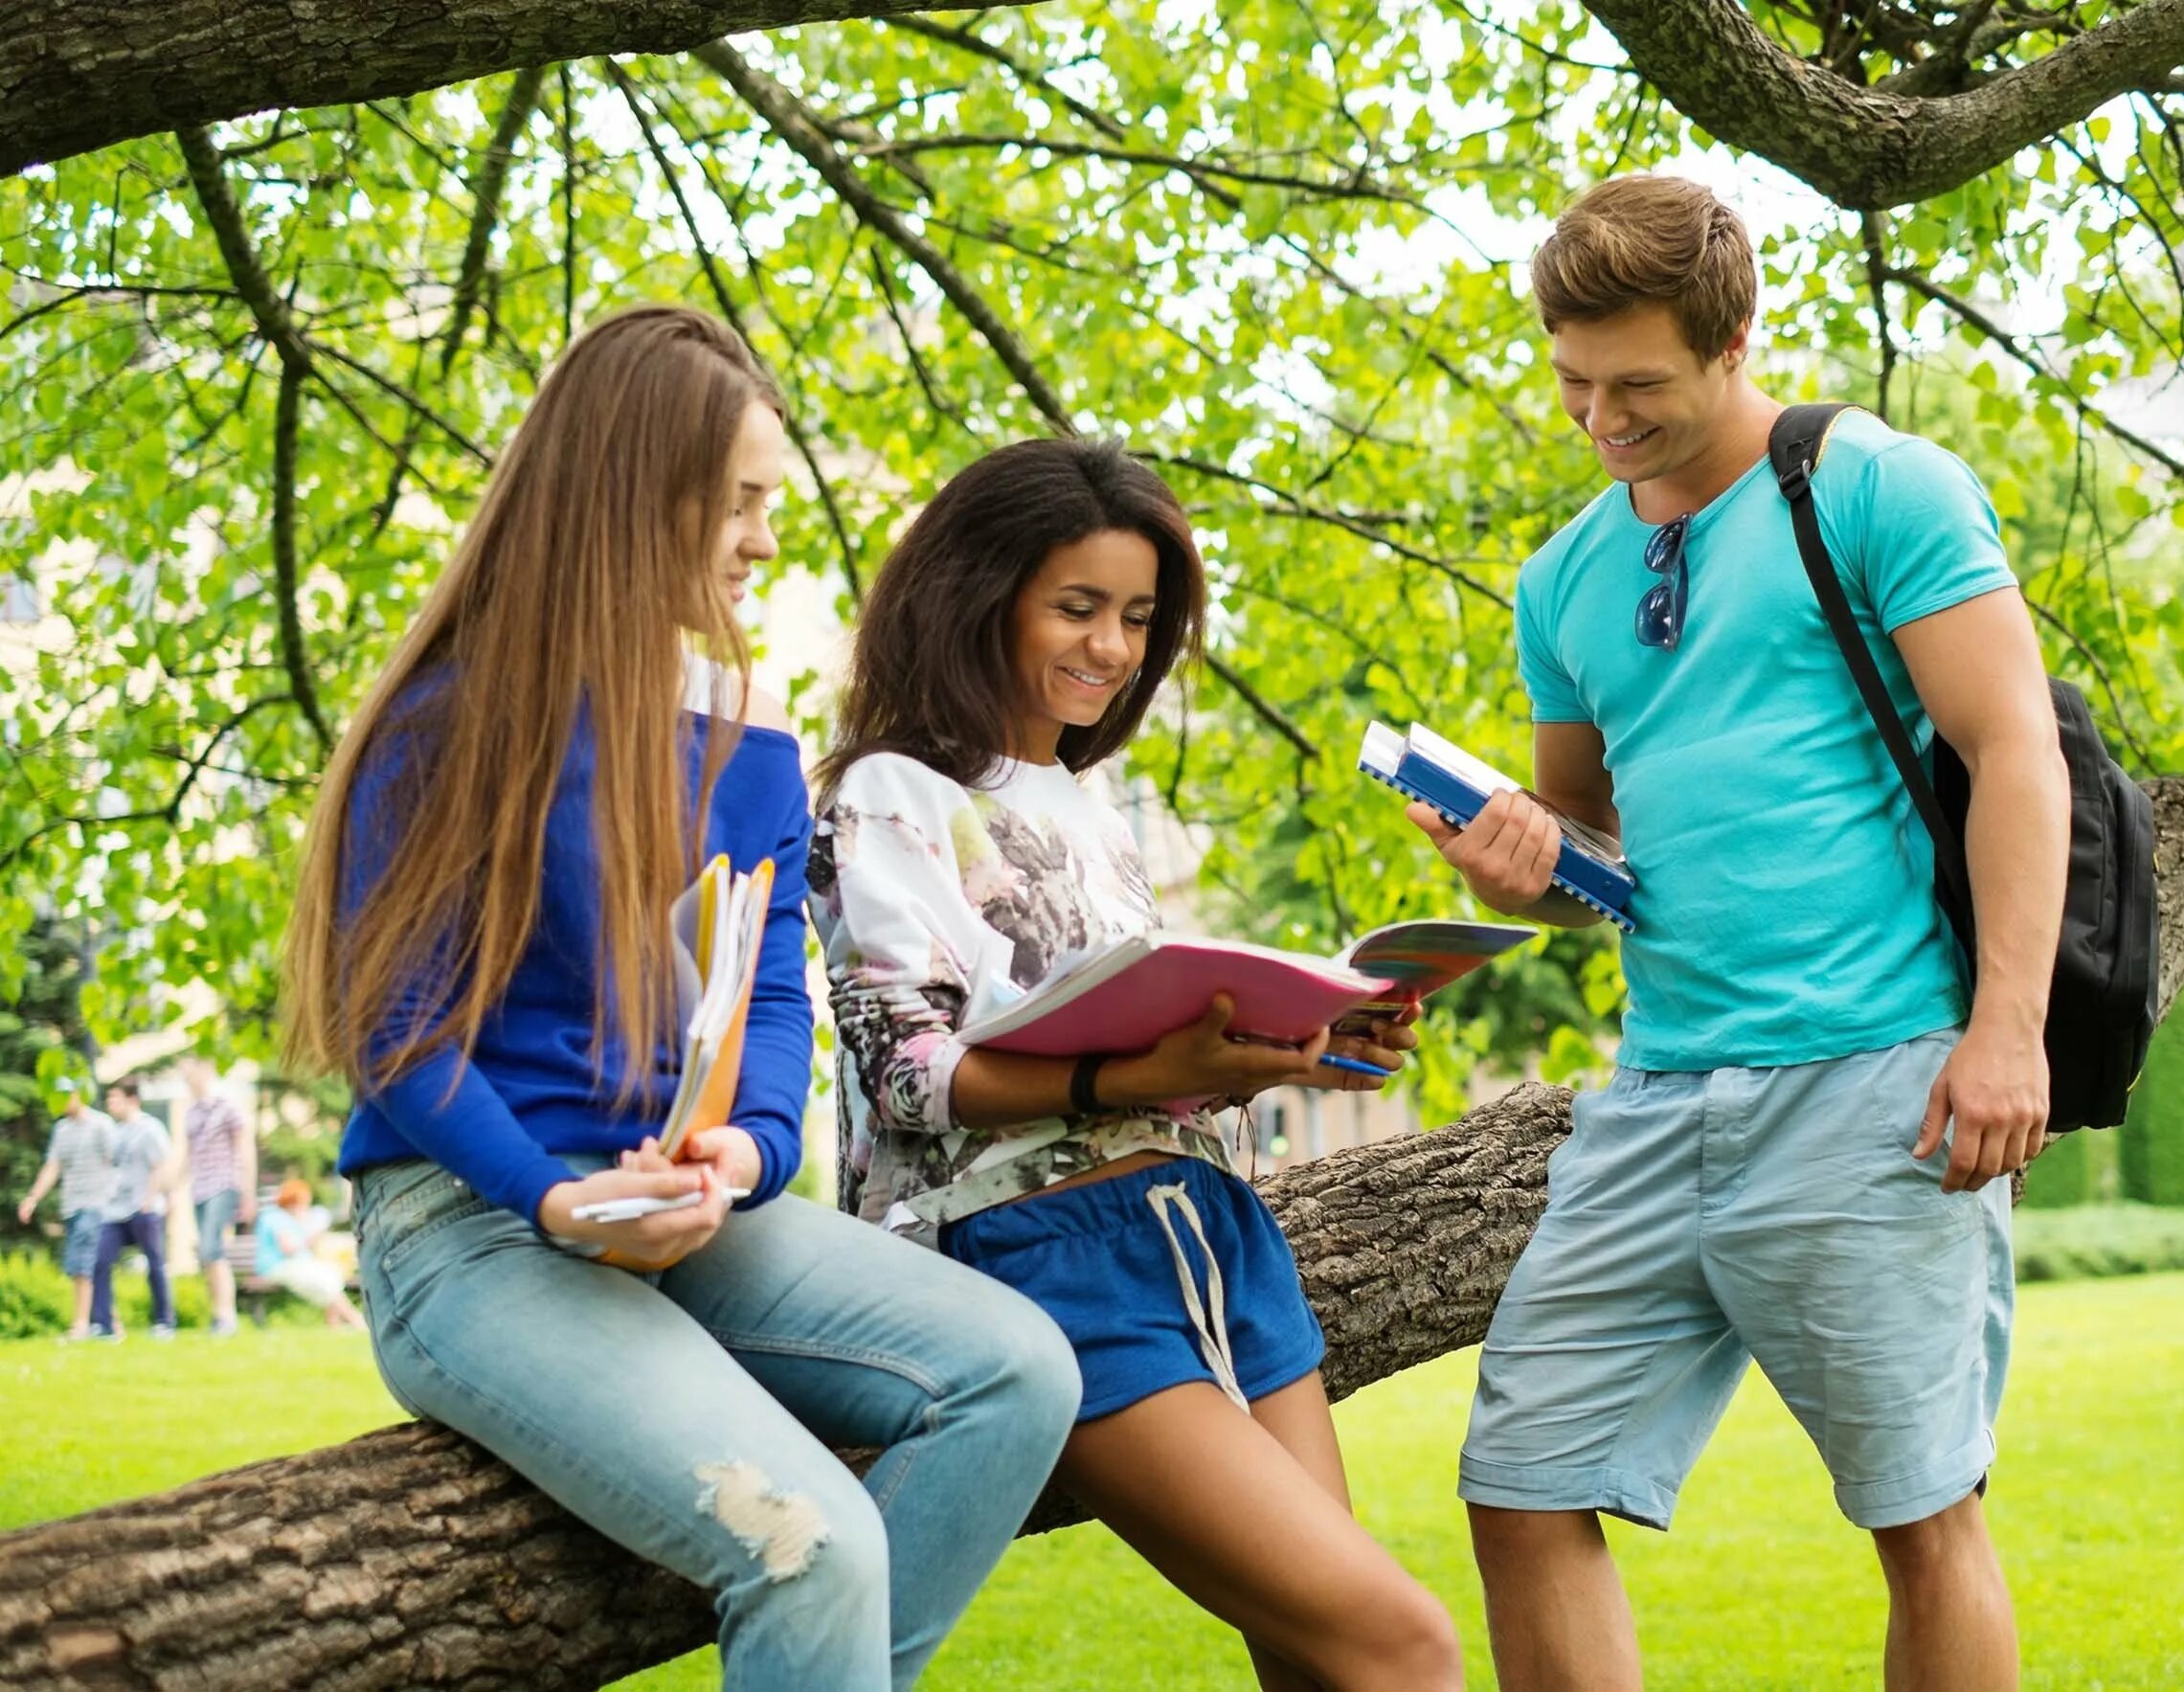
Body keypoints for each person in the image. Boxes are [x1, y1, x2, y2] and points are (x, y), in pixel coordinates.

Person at [280, 304, 1079, 1691]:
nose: (766, 538)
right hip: (470, 1227)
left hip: (684, 1207)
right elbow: (398, 1030)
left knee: (1020, 1369)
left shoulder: (749, 757)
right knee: (810, 1541)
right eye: (742, 502)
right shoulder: (444, 727)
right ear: (638, 496)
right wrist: (549, 1195)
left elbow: (772, 1003)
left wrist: (749, 1151)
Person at [1413, 176, 2066, 1692]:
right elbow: (1591, 835)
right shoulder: (1562, 575)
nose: (1600, 417)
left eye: (1636, 383)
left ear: (1732, 339)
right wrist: (1518, 854)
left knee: (1921, 1515)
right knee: (1519, 1481)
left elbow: (2011, 751)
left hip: (1874, 1077)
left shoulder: (1873, 487)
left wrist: (2005, 1029)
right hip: (1653, 1096)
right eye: (1573, 380)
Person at [810, 438, 1462, 1692]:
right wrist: (1135, 1072)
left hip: (1210, 1227)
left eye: (1136, 617)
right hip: (1038, 1259)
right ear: (976, 592)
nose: (1110, 646)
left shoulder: (1084, 797)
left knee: (1320, 1657)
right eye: (1076, 606)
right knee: (1401, 1643)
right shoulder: (886, 793)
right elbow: (911, 1078)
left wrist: (1290, 1047)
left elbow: (1137, 1045)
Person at [14, 1079, 115, 1341]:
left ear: (76, 1094)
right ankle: (109, 1323)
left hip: (96, 1205)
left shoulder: (101, 1125)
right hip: (72, 1206)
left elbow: (115, 1163)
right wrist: (33, 1198)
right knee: (85, 1266)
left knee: (83, 1264)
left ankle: (81, 1325)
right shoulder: (62, 1130)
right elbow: (53, 1167)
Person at [89, 1076, 177, 1340]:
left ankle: (164, 1321)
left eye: (115, 1098)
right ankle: (103, 1325)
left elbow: (160, 1165)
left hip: (144, 1208)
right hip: (115, 1210)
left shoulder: (150, 1129)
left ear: (132, 1100)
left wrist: (151, 1199)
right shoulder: (114, 1132)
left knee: (155, 1263)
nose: (110, 1104)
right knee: (101, 1261)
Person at [180, 1058, 255, 1335]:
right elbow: (188, 1157)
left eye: (190, 1071)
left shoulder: (227, 1106)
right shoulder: (191, 1113)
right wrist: (164, 1189)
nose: (187, 1078)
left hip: (225, 1185)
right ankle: (219, 1314)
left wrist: (248, 1193)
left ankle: (226, 1316)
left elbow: (245, 1150)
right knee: (208, 1252)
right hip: (199, 1188)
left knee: (212, 1247)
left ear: (205, 1070)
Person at [252, 1178, 366, 1329]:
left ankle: (335, 1323)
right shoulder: (276, 1217)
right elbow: (288, 1249)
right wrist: (309, 1235)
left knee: (332, 1274)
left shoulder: (287, 1219)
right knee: (325, 1279)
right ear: (293, 1201)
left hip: (292, 1264)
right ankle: (354, 1319)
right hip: (278, 1266)